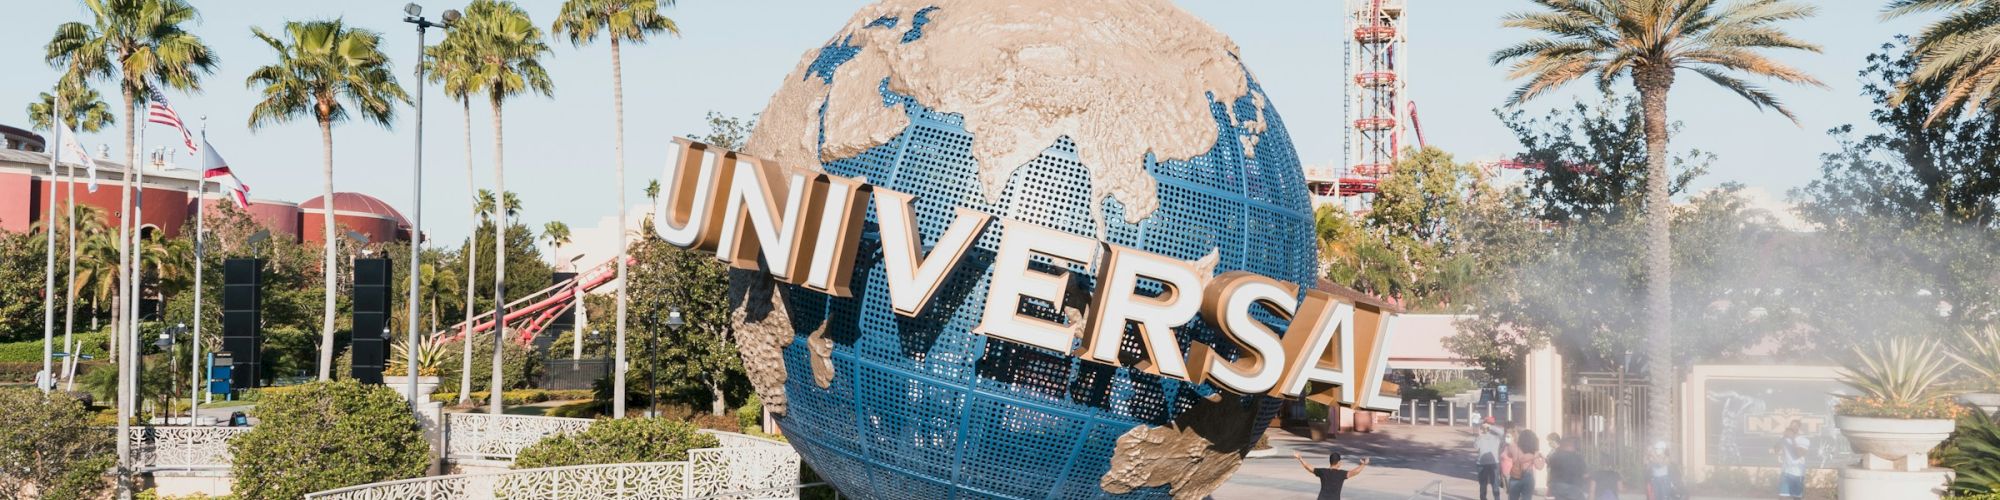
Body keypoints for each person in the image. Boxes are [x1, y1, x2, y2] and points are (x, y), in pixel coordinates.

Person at [1295, 451, 1369, 500]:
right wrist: (1363, 464)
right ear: (1339, 462)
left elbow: (1309, 467)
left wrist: (1300, 459)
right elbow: (1355, 472)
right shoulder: (1341, 474)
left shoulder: (1322, 472)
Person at [1772, 421, 1810, 499]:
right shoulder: (1784, 439)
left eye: (1795, 426)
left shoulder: (1804, 440)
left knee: (1796, 497)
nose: (1792, 428)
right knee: (1782, 497)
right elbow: (1775, 450)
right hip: (1786, 471)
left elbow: (1798, 455)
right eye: (1791, 425)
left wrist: (1792, 439)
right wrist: (1783, 437)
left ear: (1798, 428)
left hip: (1798, 473)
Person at [1504, 428, 1544, 500]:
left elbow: (1509, 455)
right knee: (1527, 498)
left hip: (1515, 476)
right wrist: (1543, 459)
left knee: (1512, 498)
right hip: (1528, 476)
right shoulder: (1533, 451)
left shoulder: (1512, 446)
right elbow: (1539, 467)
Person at [1546, 433, 1587, 500]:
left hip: (1557, 489)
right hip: (1574, 489)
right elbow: (1585, 475)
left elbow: (1550, 469)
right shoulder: (1579, 457)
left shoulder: (1556, 455)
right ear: (1573, 445)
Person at [1475, 417, 1505, 500]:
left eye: (1491, 424)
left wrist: (1491, 427)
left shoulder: (1497, 437)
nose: (1488, 426)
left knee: (1495, 485)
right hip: (1481, 464)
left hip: (1494, 463)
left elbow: (1503, 433)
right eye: (1487, 424)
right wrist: (1479, 435)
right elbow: (1475, 447)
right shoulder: (1481, 436)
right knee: (1482, 485)